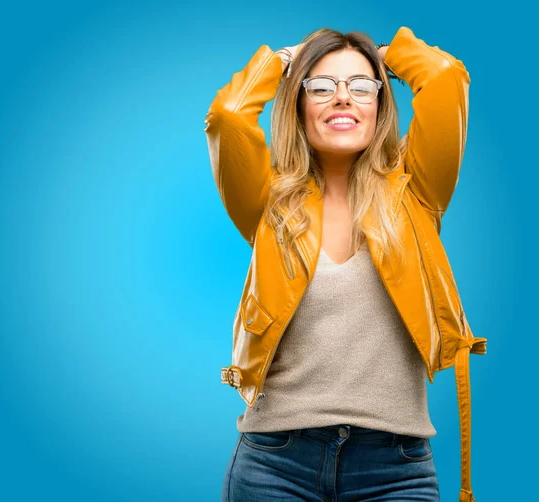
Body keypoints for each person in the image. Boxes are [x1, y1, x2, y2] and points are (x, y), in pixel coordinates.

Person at [204, 25, 487, 502]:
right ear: (298, 103)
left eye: (360, 86)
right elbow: (228, 117)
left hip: (397, 468)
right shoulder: (267, 203)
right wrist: (283, 61)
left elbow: (444, 79)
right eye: (320, 87)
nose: (342, 99)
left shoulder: (417, 194)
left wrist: (384, 55)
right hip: (274, 461)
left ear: (380, 104)